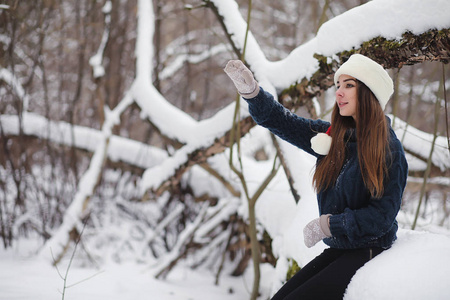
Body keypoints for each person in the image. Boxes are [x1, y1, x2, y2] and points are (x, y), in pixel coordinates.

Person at [224, 54, 408, 300]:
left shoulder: (388, 148)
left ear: (369, 93)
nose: (339, 93)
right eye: (338, 86)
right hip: (342, 248)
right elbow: (284, 122)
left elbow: (382, 217)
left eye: (349, 85)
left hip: (370, 248)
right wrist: (254, 94)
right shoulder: (334, 137)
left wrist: (330, 224)